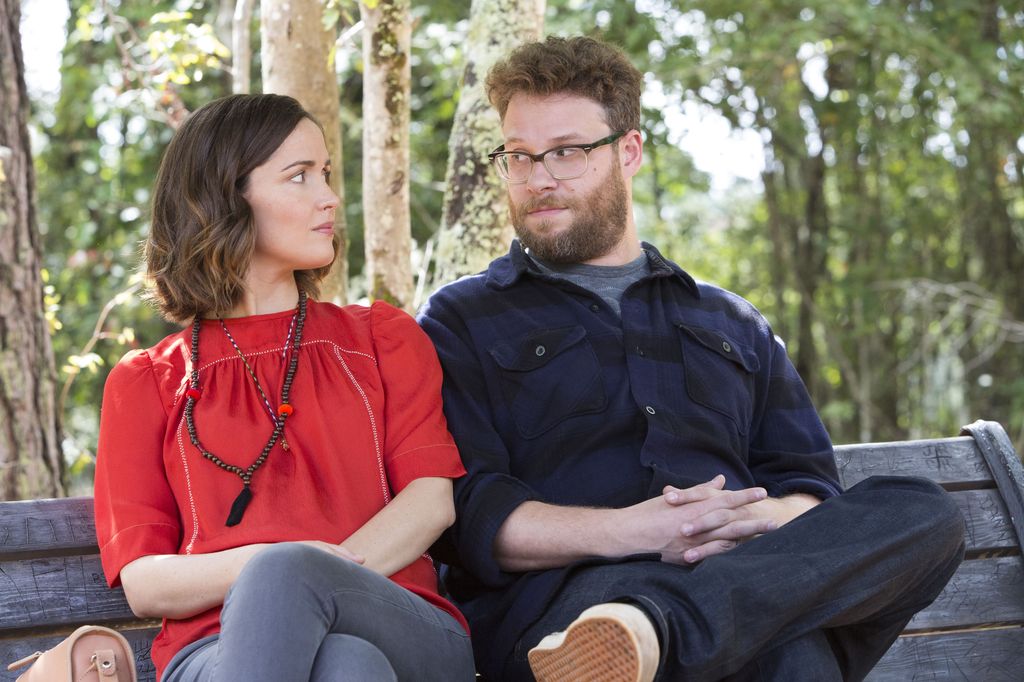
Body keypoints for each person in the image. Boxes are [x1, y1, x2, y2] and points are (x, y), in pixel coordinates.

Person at [417, 36, 965, 682]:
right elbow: (474, 516)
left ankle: (661, 629)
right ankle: (651, 625)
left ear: (629, 152)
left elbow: (809, 488)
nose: (538, 179)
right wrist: (639, 531)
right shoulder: (460, 319)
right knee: (785, 650)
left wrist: (752, 520)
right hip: (569, 606)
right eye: (519, 156)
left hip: (742, 577)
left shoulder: (731, 320)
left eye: (566, 152)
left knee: (925, 513)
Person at [94, 94, 475, 682]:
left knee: (300, 590)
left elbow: (430, 502)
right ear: (224, 198)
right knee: (346, 666)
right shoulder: (146, 382)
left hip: (402, 622)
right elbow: (146, 582)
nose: (329, 197)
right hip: (215, 651)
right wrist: (278, 569)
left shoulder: (381, 338)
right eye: (299, 176)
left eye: (325, 173)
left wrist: (310, 576)